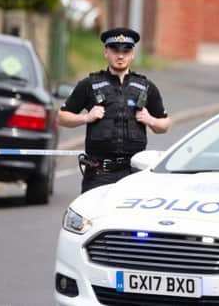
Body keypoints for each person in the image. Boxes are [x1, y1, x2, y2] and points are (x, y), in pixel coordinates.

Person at [58, 27, 170, 193]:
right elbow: (62, 117)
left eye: (126, 51)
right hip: (99, 173)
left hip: (133, 173)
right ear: (106, 52)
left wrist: (151, 120)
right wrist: (86, 118)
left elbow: (165, 124)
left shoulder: (145, 86)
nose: (120, 56)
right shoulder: (90, 84)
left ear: (132, 54)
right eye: (115, 50)